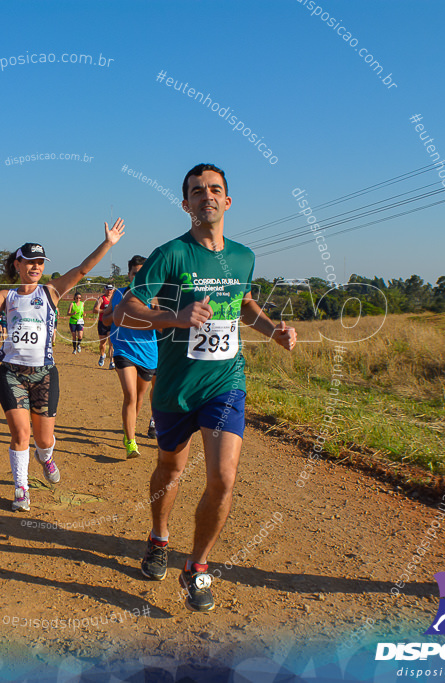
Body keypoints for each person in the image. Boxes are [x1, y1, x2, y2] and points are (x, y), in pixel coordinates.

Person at [113, 163, 296, 612]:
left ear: (227, 201)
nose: (206, 196)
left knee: (223, 477)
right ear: (186, 203)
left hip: (225, 381)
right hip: (176, 385)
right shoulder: (170, 254)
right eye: (197, 191)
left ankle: (197, 566)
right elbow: (124, 311)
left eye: (214, 190)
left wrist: (271, 330)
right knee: (171, 471)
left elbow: (244, 304)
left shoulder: (242, 256)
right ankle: (159, 537)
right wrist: (175, 317)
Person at [0, 220, 126, 510]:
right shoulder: (8, 295)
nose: (35, 267)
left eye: (40, 262)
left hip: (44, 374)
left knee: (43, 440)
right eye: (29, 262)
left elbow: (82, 270)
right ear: (17, 264)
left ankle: (47, 458)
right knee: (20, 434)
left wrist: (108, 243)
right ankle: (21, 489)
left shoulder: (51, 292)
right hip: (11, 373)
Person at [101, 255, 159, 458]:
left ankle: (129, 431)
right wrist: (116, 311)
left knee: (140, 398)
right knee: (130, 395)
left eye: (142, 274)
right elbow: (106, 320)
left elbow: (162, 325)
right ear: (129, 274)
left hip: (148, 353)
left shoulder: (153, 297)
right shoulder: (118, 294)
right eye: (135, 273)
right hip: (123, 351)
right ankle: (131, 442)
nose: (138, 277)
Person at [94, 284, 115, 366]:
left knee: (111, 343)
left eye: (111, 290)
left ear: (113, 290)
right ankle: (102, 355)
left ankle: (111, 362)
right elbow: (95, 310)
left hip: (111, 323)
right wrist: (105, 311)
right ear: (104, 289)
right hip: (102, 323)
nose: (109, 291)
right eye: (108, 290)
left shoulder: (114, 299)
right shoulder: (101, 298)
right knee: (102, 344)